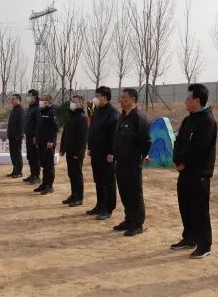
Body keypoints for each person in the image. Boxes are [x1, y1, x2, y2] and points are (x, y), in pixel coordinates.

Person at [172, 84, 218, 259]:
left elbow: (199, 148)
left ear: (197, 101)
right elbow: (178, 142)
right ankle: (189, 238)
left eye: (188, 98)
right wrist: (178, 160)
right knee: (185, 207)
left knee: (200, 211)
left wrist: (184, 162)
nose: (185, 101)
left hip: (199, 174)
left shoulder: (208, 121)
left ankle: (204, 245)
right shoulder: (188, 120)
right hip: (184, 172)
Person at [113, 88, 151, 237]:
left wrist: (142, 155)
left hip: (132, 163)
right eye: (121, 97)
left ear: (133, 99)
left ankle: (137, 223)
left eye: (125, 97)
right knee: (124, 193)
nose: (122, 100)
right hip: (120, 162)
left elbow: (146, 141)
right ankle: (129, 219)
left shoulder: (139, 118)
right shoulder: (122, 116)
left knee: (135, 194)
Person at [86, 86, 118, 221]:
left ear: (105, 97)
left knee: (108, 182)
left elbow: (114, 135)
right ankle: (100, 205)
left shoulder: (112, 113)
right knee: (98, 180)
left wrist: (111, 152)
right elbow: (92, 130)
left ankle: (108, 208)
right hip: (96, 152)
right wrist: (90, 147)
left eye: (97, 96)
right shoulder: (97, 111)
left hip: (107, 154)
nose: (95, 98)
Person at [60, 94, 88, 206]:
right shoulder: (71, 116)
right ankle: (73, 194)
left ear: (81, 103)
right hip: (69, 150)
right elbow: (65, 133)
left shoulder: (82, 117)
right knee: (71, 174)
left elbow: (83, 138)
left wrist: (79, 152)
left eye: (75, 102)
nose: (72, 103)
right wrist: (62, 148)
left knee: (77, 175)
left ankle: (79, 197)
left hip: (76, 152)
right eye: (72, 101)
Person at [34, 94, 59, 195]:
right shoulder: (41, 111)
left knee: (49, 165)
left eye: (43, 100)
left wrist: (51, 141)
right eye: (41, 100)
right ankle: (44, 184)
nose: (41, 102)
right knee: (44, 165)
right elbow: (39, 127)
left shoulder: (51, 112)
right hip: (41, 142)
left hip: (48, 143)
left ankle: (49, 185)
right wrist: (37, 138)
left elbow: (54, 128)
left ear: (48, 102)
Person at [22, 89, 41, 185]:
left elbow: (38, 123)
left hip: (34, 137)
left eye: (29, 96)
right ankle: (32, 174)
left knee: (35, 157)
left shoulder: (37, 108)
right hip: (28, 136)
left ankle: (36, 177)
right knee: (30, 156)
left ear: (35, 97)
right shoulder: (31, 107)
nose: (28, 97)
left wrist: (36, 136)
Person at [5, 93, 25, 178]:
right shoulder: (14, 109)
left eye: (13, 99)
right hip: (12, 136)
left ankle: (19, 171)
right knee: (13, 153)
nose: (11, 100)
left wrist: (19, 135)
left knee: (17, 153)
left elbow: (21, 124)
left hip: (17, 136)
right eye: (11, 99)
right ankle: (15, 170)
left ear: (18, 100)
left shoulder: (20, 109)